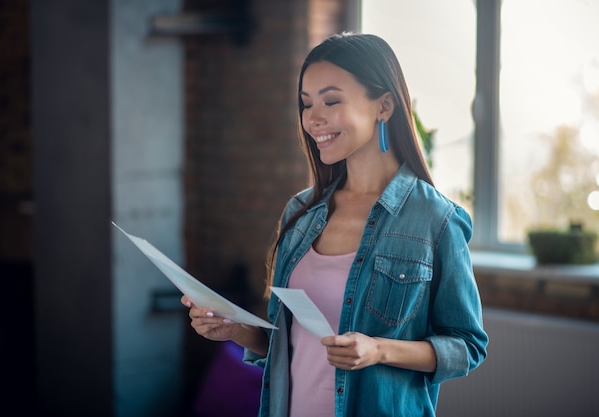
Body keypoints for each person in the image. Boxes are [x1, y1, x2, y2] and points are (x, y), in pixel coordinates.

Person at [182, 32, 488, 417]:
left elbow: (467, 347)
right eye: (306, 104)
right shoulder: (301, 213)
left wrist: (379, 350)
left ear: (385, 106)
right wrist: (237, 330)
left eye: (331, 100)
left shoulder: (436, 220)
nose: (313, 118)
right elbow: (289, 347)